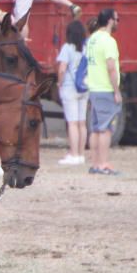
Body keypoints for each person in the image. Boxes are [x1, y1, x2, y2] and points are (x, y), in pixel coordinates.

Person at [85, 9, 121, 175]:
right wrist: (116, 90)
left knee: (96, 128)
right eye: (117, 19)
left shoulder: (92, 39)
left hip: (93, 87)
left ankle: (95, 163)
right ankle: (103, 163)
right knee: (106, 129)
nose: (118, 22)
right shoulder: (108, 41)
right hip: (105, 88)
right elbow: (111, 67)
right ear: (110, 21)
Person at [56, 20, 88, 165]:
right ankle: (81, 154)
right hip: (84, 87)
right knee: (82, 122)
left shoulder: (67, 47)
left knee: (72, 123)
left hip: (69, 87)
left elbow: (62, 68)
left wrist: (59, 82)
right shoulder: (86, 47)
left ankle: (73, 154)